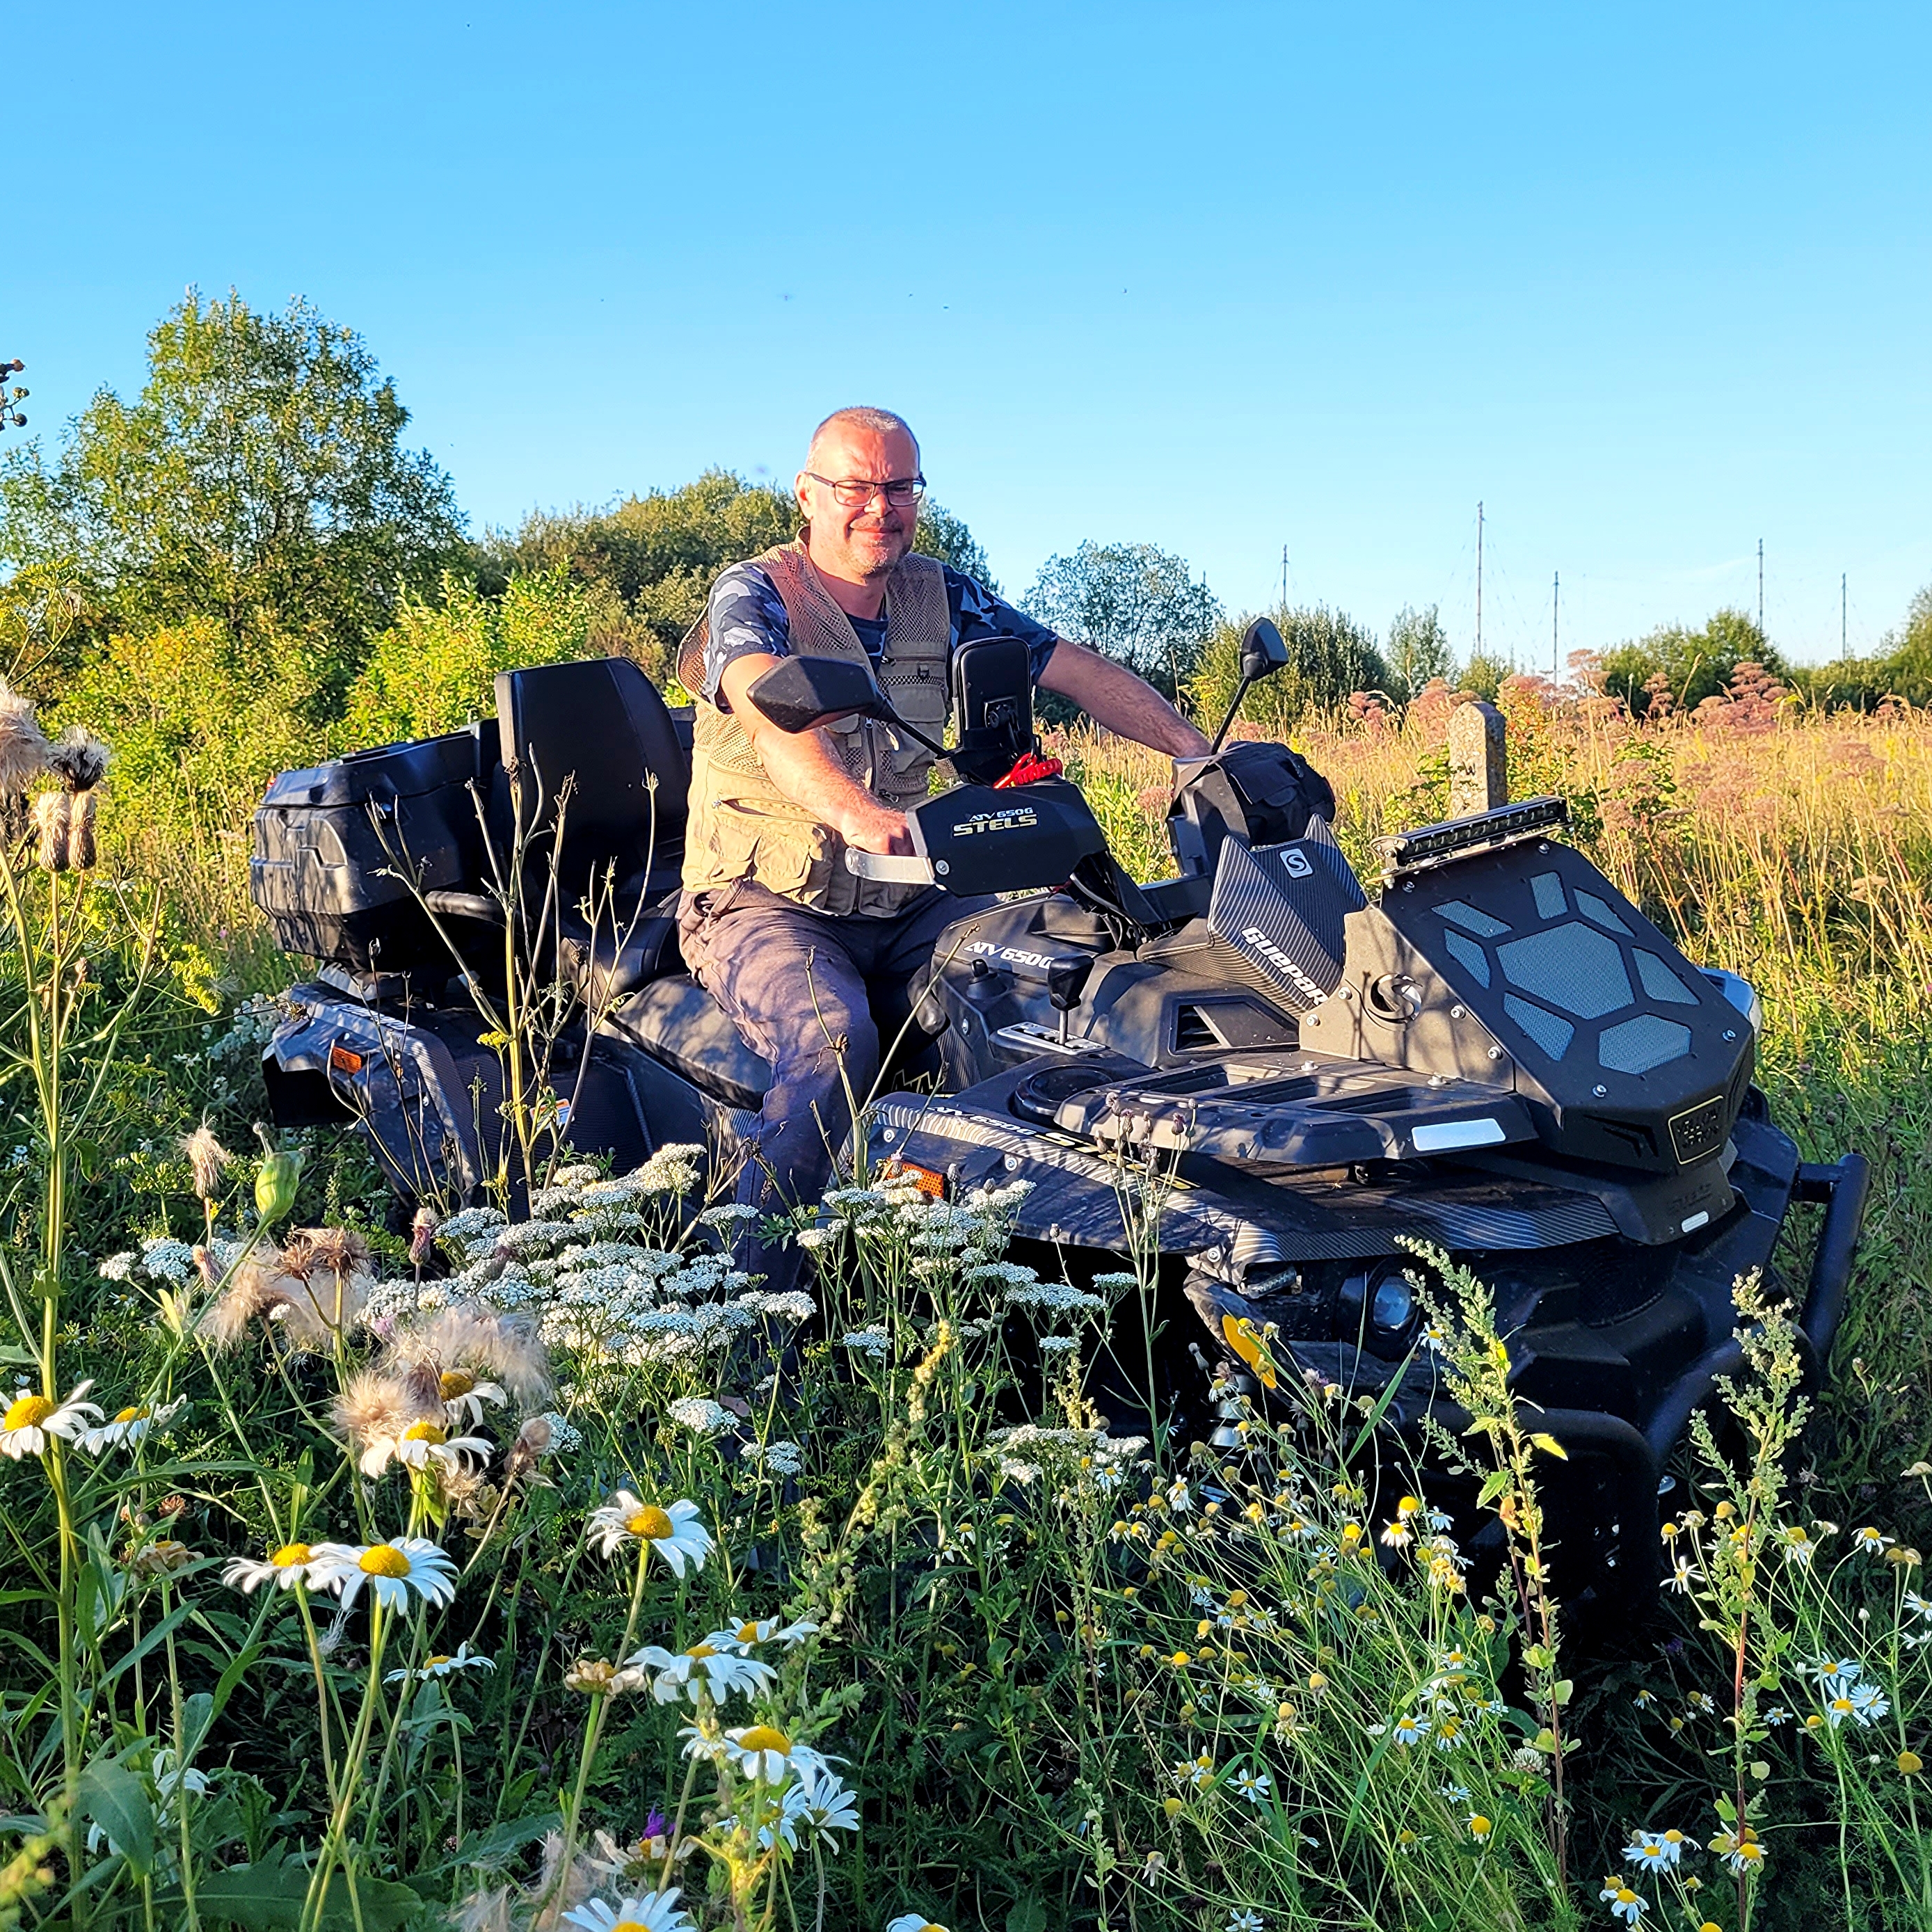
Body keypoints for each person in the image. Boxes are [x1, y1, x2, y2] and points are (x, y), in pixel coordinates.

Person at [676, 405, 1209, 1291]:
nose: (877, 507)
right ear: (807, 494)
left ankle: (1051, 1262)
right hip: (761, 900)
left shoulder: (937, 592)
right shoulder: (757, 593)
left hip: (907, 892)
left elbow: (1070, 666)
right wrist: (850, 810)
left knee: (1072, 967)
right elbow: (767, 707)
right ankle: (752, 1319)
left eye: (898, 487)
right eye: (854, 486)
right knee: (833, 1038)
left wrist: (1200, 754)